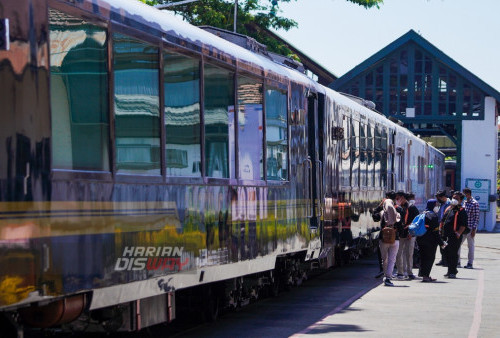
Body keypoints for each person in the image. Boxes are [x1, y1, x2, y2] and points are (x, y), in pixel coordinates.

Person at [417, 199, 446, 282]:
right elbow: (435, 232)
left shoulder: (422, 213)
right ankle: (426, 276)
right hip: (430, 241)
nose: (437, 206)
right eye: (436, 205)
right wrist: (441, 243)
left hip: (420, 239)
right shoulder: (433, 216)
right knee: (429, 258)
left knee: (423, 257)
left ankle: (423, 275)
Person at [441, 191, 468, 279]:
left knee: (453, 253)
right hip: (445, 235)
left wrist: (458, 233)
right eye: (453, 198)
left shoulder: (461, 211)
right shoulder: (448, 208)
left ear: (461, 200)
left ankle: (452, 272)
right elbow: (443, 220)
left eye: (456, 198)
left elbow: (463, 225)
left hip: (454, 236)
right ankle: (450, 270)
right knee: (445, 253)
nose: (454, 200)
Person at [395, 191, 420, 279]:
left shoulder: (412, 207)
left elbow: (416, 222)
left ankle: (409, 272)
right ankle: (400, 272)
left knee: (409, 253)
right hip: (400, 234)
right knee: (399, 253)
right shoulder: (397, 208)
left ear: (403, 198)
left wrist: (411, 233)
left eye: (398, 198)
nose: (397, 200)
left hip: (409, 233)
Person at [379, 191, 401, 286]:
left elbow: (374, 216)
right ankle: (388, 277)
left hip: (383, 239)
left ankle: (385, 275)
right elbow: (401, 225)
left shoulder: (382, 212)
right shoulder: (398, 212)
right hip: (395, 239)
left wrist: (380, 205)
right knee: (392, 259)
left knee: (385, 259)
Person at [458, 188, 479, 269]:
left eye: (465, 194)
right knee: (458, 244)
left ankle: (470, 263)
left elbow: (476, 217)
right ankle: (458, 262)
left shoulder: (474, 203)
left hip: (470, 228)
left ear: (468, 194)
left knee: (470, 246)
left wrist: (474, 229)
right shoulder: (464, 202)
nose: (464, 196)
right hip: (463, 228)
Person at [435, 190, 451, 266]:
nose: (438, 200)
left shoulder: (449, 204)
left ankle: (447, 260)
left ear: (443, 197)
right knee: (441, 243)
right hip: (440, 225)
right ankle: (443, 259)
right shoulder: (442, 204)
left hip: (446, 226)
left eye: (439, 198)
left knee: (446, 243)